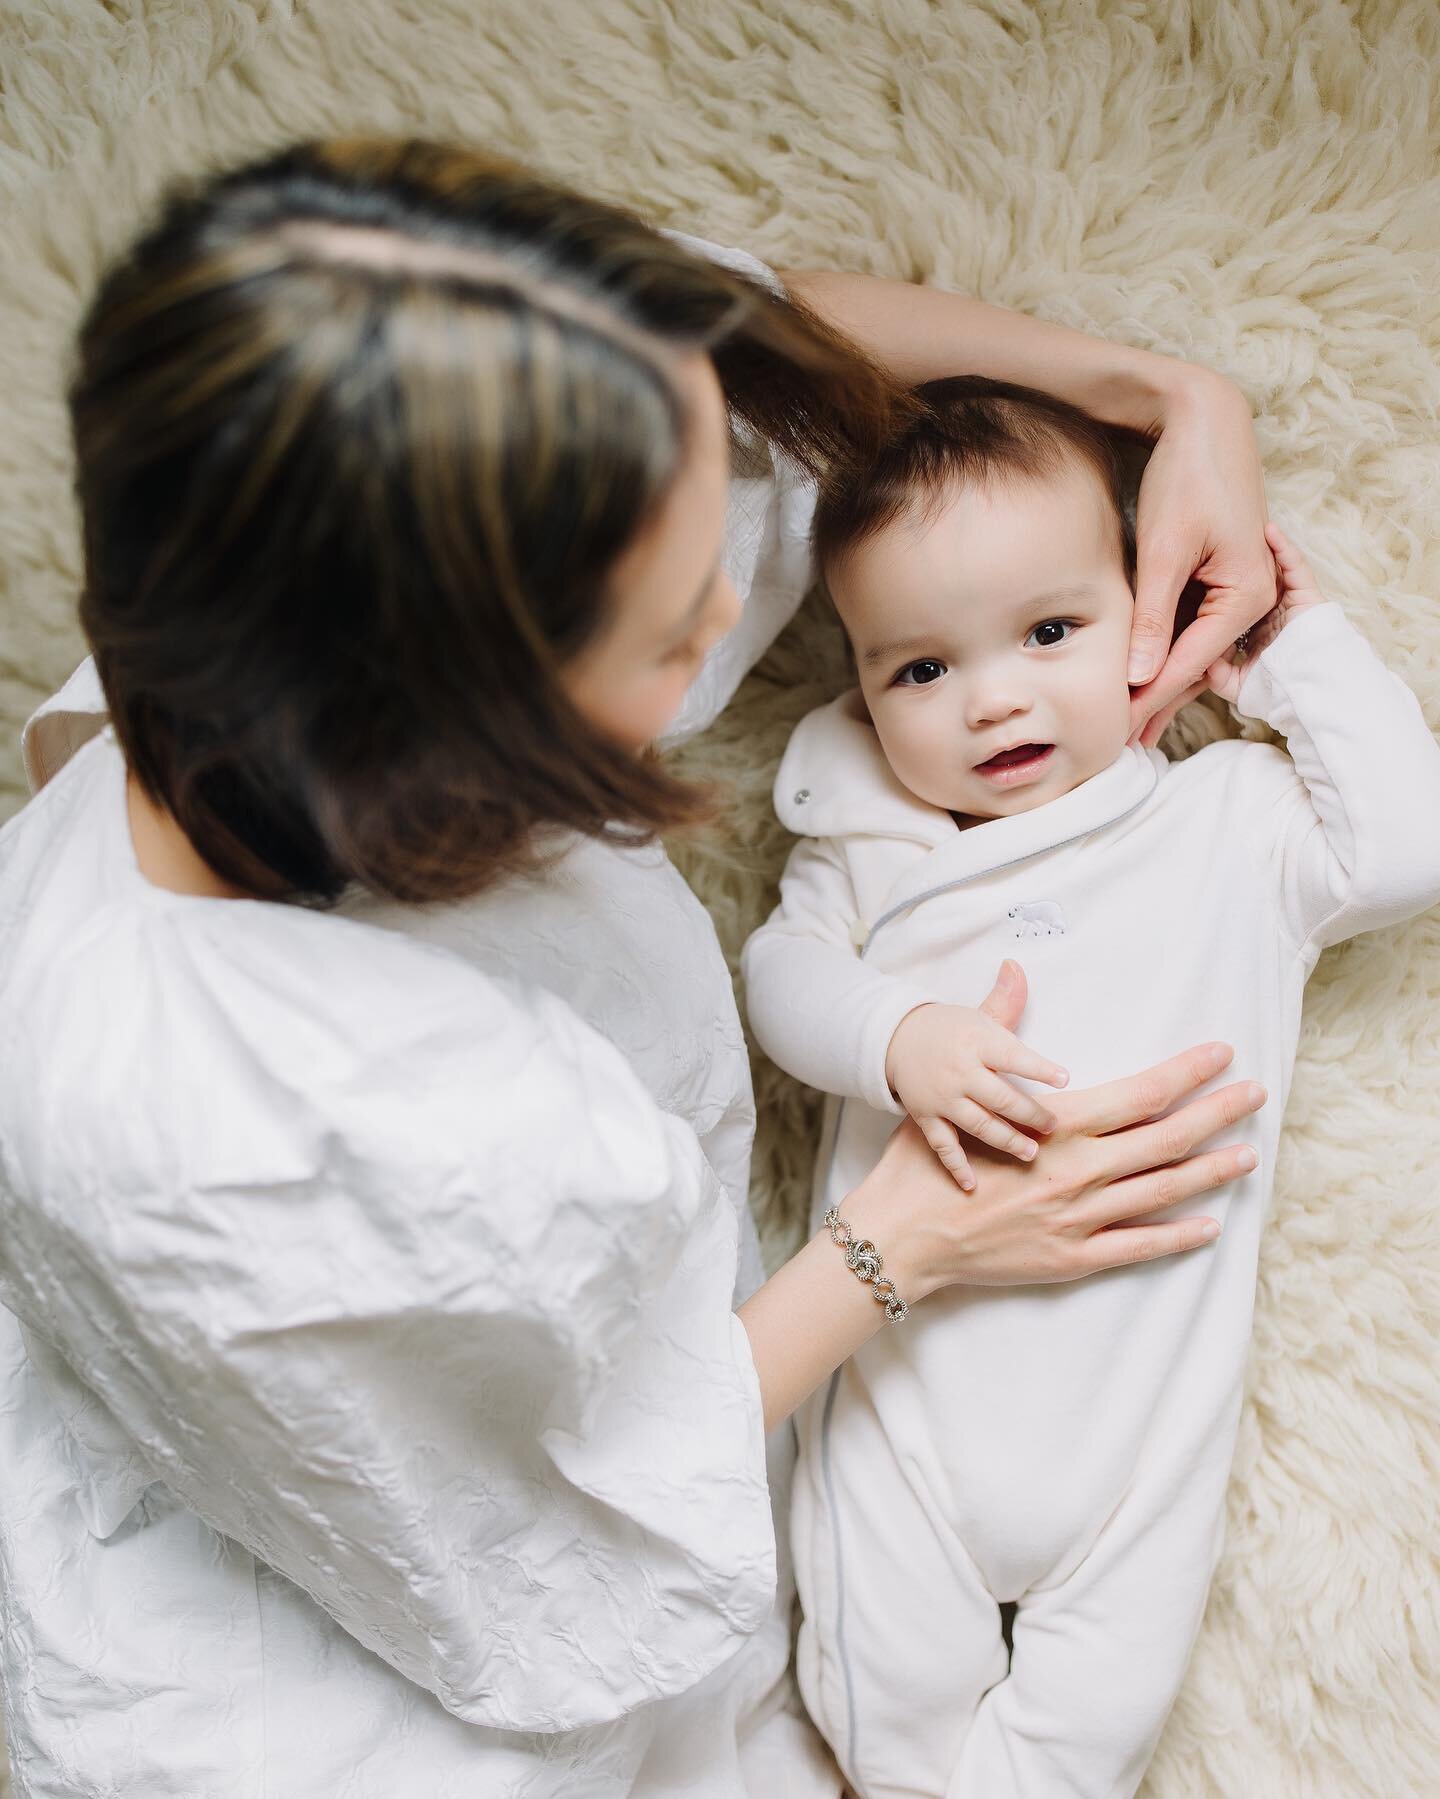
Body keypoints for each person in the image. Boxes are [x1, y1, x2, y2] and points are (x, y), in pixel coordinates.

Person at [0, 138, 1273, 1797]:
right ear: (470, 728)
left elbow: (750, 346)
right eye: (681, 624)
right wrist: (904, 1244)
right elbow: (554, 1519)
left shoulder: (308, 538)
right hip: (386, 1641)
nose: (752, 596)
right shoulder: (327, 1146)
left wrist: (1174, 398)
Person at [742, 375, 1440, 1799]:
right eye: (918, 671)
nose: (993, 696)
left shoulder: (1227, 826)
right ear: (863, 692)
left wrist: (1280, 647)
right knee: (883, 1718)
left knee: (1093, 1735)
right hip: (904, 1406)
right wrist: (896, 1035)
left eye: (1052, 633)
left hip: (1143, 1433)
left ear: (1144, 611)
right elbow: (779, 978)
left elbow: (1405, 851)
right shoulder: (883, 845)